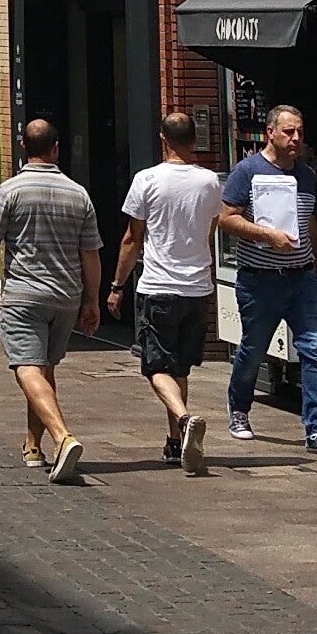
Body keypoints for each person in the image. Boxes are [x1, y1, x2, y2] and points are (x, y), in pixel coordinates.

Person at [0, 116, 101, 484]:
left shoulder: (9, 191)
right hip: (65, 298)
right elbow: (90, 253)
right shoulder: (79, 194)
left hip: (24, 296)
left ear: (23, 147)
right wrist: (92, 300)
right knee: (44, 370)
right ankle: (32, 445)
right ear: (56, 149)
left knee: (26, 368)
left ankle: (62, 438)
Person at [220, 102, 317, 457]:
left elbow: (310, 220)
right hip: (260, 280)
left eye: (300, 132)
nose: (296, 138)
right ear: (270, 133)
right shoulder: (247, 171)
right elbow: (226, 219)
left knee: (315, 349)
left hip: (303, 280)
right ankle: (239, 408)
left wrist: (314, 261)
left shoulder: (307, 176)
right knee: (254, 349)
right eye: (289, 132)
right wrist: (267, 235)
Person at [105, 110, 224, 471]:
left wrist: (117, 286)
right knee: (180, 368)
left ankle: (184, 420)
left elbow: (132, 239)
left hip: (159, 287)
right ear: (194, 141)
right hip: (197, 289)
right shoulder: (210, 182)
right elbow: (210, 232)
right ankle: (175, 443)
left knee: (156, 366)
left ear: (162, 140)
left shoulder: (147, 180)